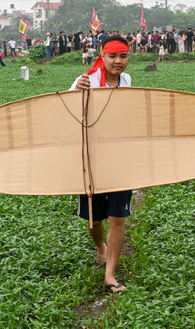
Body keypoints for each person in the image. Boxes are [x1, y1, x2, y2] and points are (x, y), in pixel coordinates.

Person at [70, 36, 132, 294]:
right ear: (103, 56)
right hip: (92, 158)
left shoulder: (127, 81)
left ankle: (110, 275)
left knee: (118, 217)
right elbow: (68, 109)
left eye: (124, 56)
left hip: (119, 157)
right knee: (94, 218)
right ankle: (100, 247)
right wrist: (76, 90)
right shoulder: (87, 80)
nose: (118, 61)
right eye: (113, 56)